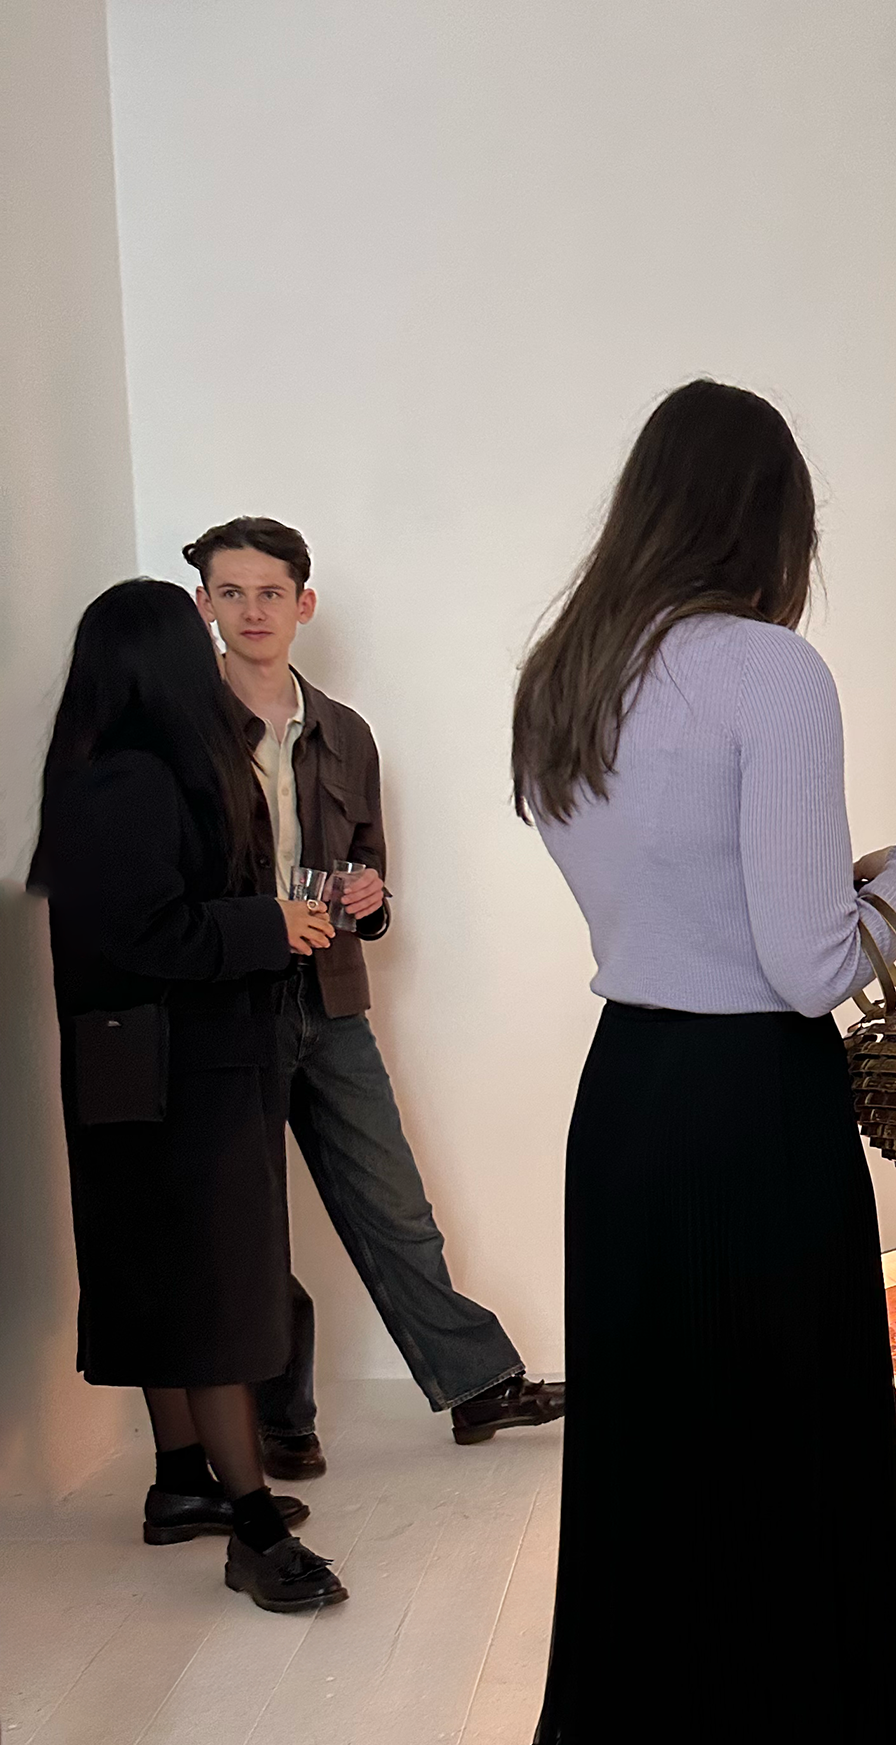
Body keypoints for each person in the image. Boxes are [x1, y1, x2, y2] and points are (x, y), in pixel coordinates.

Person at [512, 378, 896, 1745]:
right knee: (769, 1478)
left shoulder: (569, 674)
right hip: (752, 1116)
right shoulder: (770, 671)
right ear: (773, 523)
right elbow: (807, 961)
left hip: (630, 1101)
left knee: (660, 1479)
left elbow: (672, 902)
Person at [184, 517, 564, 1479]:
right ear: (205, 605)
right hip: (225, 1006)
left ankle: (477, 1387)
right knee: (254, 1225)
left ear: (303, 605)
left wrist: (370, 897)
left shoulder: (347, 734)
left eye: (271, 593)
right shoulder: (183, 730)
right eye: (232, 593)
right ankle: (282, 1419)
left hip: (330, 996)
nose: (253, 610)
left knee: (394, 1203)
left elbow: (371, 872)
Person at [31, 580, 348, 1610]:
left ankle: (182, 1482)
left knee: (165, 1278)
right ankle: (253, 1525)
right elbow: (147, 933)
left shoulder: (104, 772)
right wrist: (270, 926)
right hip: (177, 1073)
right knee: (211, 1291)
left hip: (144, 1067)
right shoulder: (132, 778)